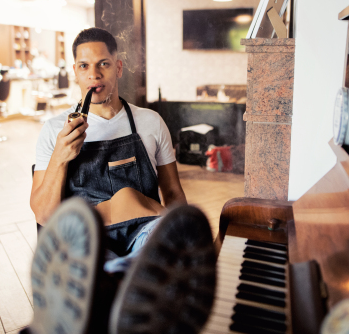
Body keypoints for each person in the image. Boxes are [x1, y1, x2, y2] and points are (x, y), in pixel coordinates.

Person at [26, 28, 216, 334]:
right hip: (91, 238)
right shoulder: (54, 131)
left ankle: (120, 282)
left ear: (118, 67)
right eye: (84, 66)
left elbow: (172, 192)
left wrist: (180, 235)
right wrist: (61, 156)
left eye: (103, 63)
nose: (94, 75)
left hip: (144, 231)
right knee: (95, 262)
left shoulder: (150, 122)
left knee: (154, 246)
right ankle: (125, 281)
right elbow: (43, 214)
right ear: (75, 72)